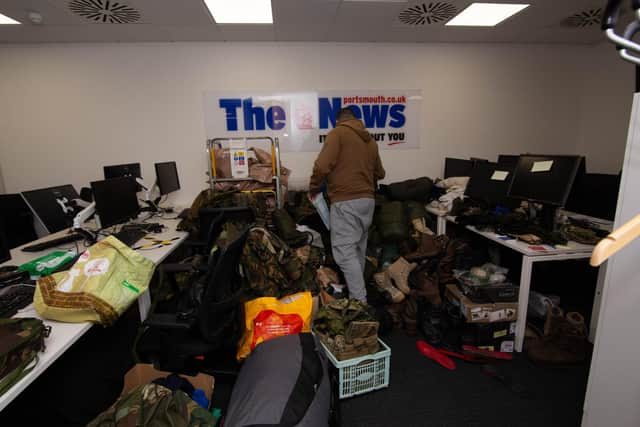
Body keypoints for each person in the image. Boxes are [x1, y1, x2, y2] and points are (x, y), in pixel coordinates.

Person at [309, 107, 385, 303]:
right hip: (367, 201)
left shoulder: (338, 133)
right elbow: (381, 173)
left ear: (338, 121)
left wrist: (314, 187)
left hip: (346, 200)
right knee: (358, 250)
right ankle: (357, 298)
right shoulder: (370, 140)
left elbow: (322, 166)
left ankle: (360, 302)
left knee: (344, 253)